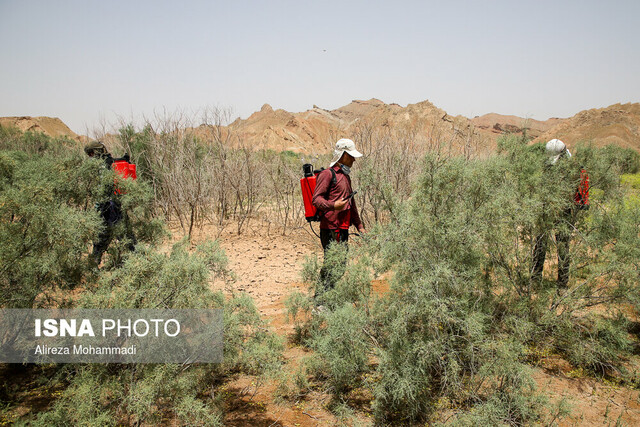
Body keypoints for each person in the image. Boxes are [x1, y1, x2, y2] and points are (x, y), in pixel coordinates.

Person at [531, 139, 588, 289]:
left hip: (563, 211)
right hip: (547, 210)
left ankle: (562, 284)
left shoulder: (574, 167)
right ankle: (536, 279)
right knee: (541, 244)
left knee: (561, 246)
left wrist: (579, 203)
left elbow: (582, 187)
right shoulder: (546, 165)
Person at [312, 138, 366, 297]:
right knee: (331, 265)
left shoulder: (345, 176)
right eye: (351, 155)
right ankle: (319, 302)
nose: (354, 159)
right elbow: (316, 199)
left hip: (342, 228)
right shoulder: (327, 175)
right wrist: (333, 205)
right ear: (342, 155)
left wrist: (360, 226)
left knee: (340, 266)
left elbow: (351, 203)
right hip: (330, 228)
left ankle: (328, 297)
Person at [84, 141, 136, 268]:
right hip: (116, 204)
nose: (90, 157)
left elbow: (103, 189)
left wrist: (97, 207)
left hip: (109, 206)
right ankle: (137, 261)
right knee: (123, 235)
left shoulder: (103, 166)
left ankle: (95, 264)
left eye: (91, 154)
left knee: (109, 235)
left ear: (95, 152)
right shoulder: (112, 162)